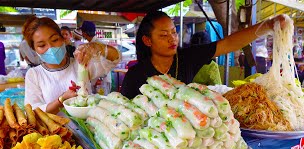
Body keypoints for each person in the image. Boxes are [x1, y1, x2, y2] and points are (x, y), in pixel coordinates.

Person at [121, 11, 286, 99]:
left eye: (174, 32)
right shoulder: (135, 76)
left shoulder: (187, 58)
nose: (172, 38)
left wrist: (268, 26)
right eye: (164, 35)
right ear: (147, 41)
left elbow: (228, 44)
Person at [23, 16, 120, 114]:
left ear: (63, 39)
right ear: (35, 49)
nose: (50, 48)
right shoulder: (34, 74)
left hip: (84, 128)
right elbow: (32, 111)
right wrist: (61, 100)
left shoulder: (81, 63)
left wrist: (98, 47)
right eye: (42, 45)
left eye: (55, 40)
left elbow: (115, 58)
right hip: (54, 129)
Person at [80, 21, 112, 94]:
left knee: (101, 103)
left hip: (100, 82)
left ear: (84, 33)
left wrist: (100, 79)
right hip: (95, 80)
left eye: (82, 32)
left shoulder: (99, 45)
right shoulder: (91, 44)